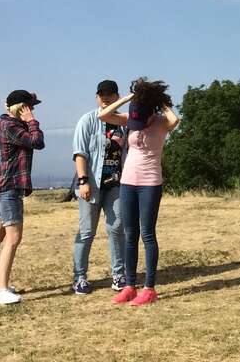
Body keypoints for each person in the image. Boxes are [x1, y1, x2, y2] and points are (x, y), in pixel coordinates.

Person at [103, 79, 179, 307]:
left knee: (147, 234)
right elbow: (103, 115)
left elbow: (176, 120)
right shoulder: (130, 119)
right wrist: (128, 99)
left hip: (150, 183)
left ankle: (149, 288)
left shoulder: (161, 122)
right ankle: (129, 286)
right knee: (130, 234)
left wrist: (161, 103)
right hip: (128, 182)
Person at [70, 81, 130, 295]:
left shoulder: (124, 122)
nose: (105, 98)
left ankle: (119, 274)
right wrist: (83, 181)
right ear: (96, 97)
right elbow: (80, 153)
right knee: (86, 232)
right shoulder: (87, 121)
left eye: (110, 94)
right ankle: (79, 277)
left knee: (116, 228)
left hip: (116, 183)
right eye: (101, 94)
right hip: (92, 184)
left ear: (117, 96)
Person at [0, 90, 45, 305]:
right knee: (13, 238)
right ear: (20, 107)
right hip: (9, 187)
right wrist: (32, 121)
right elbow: (37, 141)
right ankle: (1, 290)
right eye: (29, 106)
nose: (32, 110)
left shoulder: (8, 124)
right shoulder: (12, 126)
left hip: (3, 185)